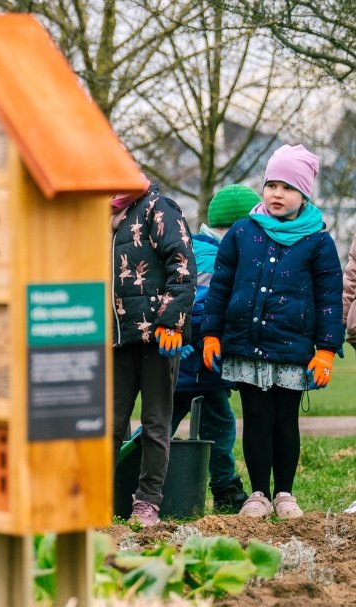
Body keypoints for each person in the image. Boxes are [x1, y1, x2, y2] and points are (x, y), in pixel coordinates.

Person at [203, 144, 343, 519]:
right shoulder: (243, 232)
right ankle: (258, 494)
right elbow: (221, 285)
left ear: (303, 194)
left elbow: (329, 297)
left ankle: (284, 493)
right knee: (257, 419)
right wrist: (212, 332)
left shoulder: (318, 241)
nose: (277, 194)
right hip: (247, 344)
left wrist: (326, 350)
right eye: (271, 185)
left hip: (292, 348)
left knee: (285, 420)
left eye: (287, 187)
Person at [111, 178, 196, 527]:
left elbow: (182, 266)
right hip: (117, 336)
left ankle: (147, 501)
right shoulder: (103, 216)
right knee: (108, 423)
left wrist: (172, 322)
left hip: (157, 336)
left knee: (155, 422)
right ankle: (94, 495)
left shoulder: (158, 208)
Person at [172, 185, 258, 513]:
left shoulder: (195, 249)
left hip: (190, 367)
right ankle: (225, 489)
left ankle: (136, 471)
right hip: (195, 365)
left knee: (166, 423)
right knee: (216, 427)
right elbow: (198, 308)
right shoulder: (215, 257)